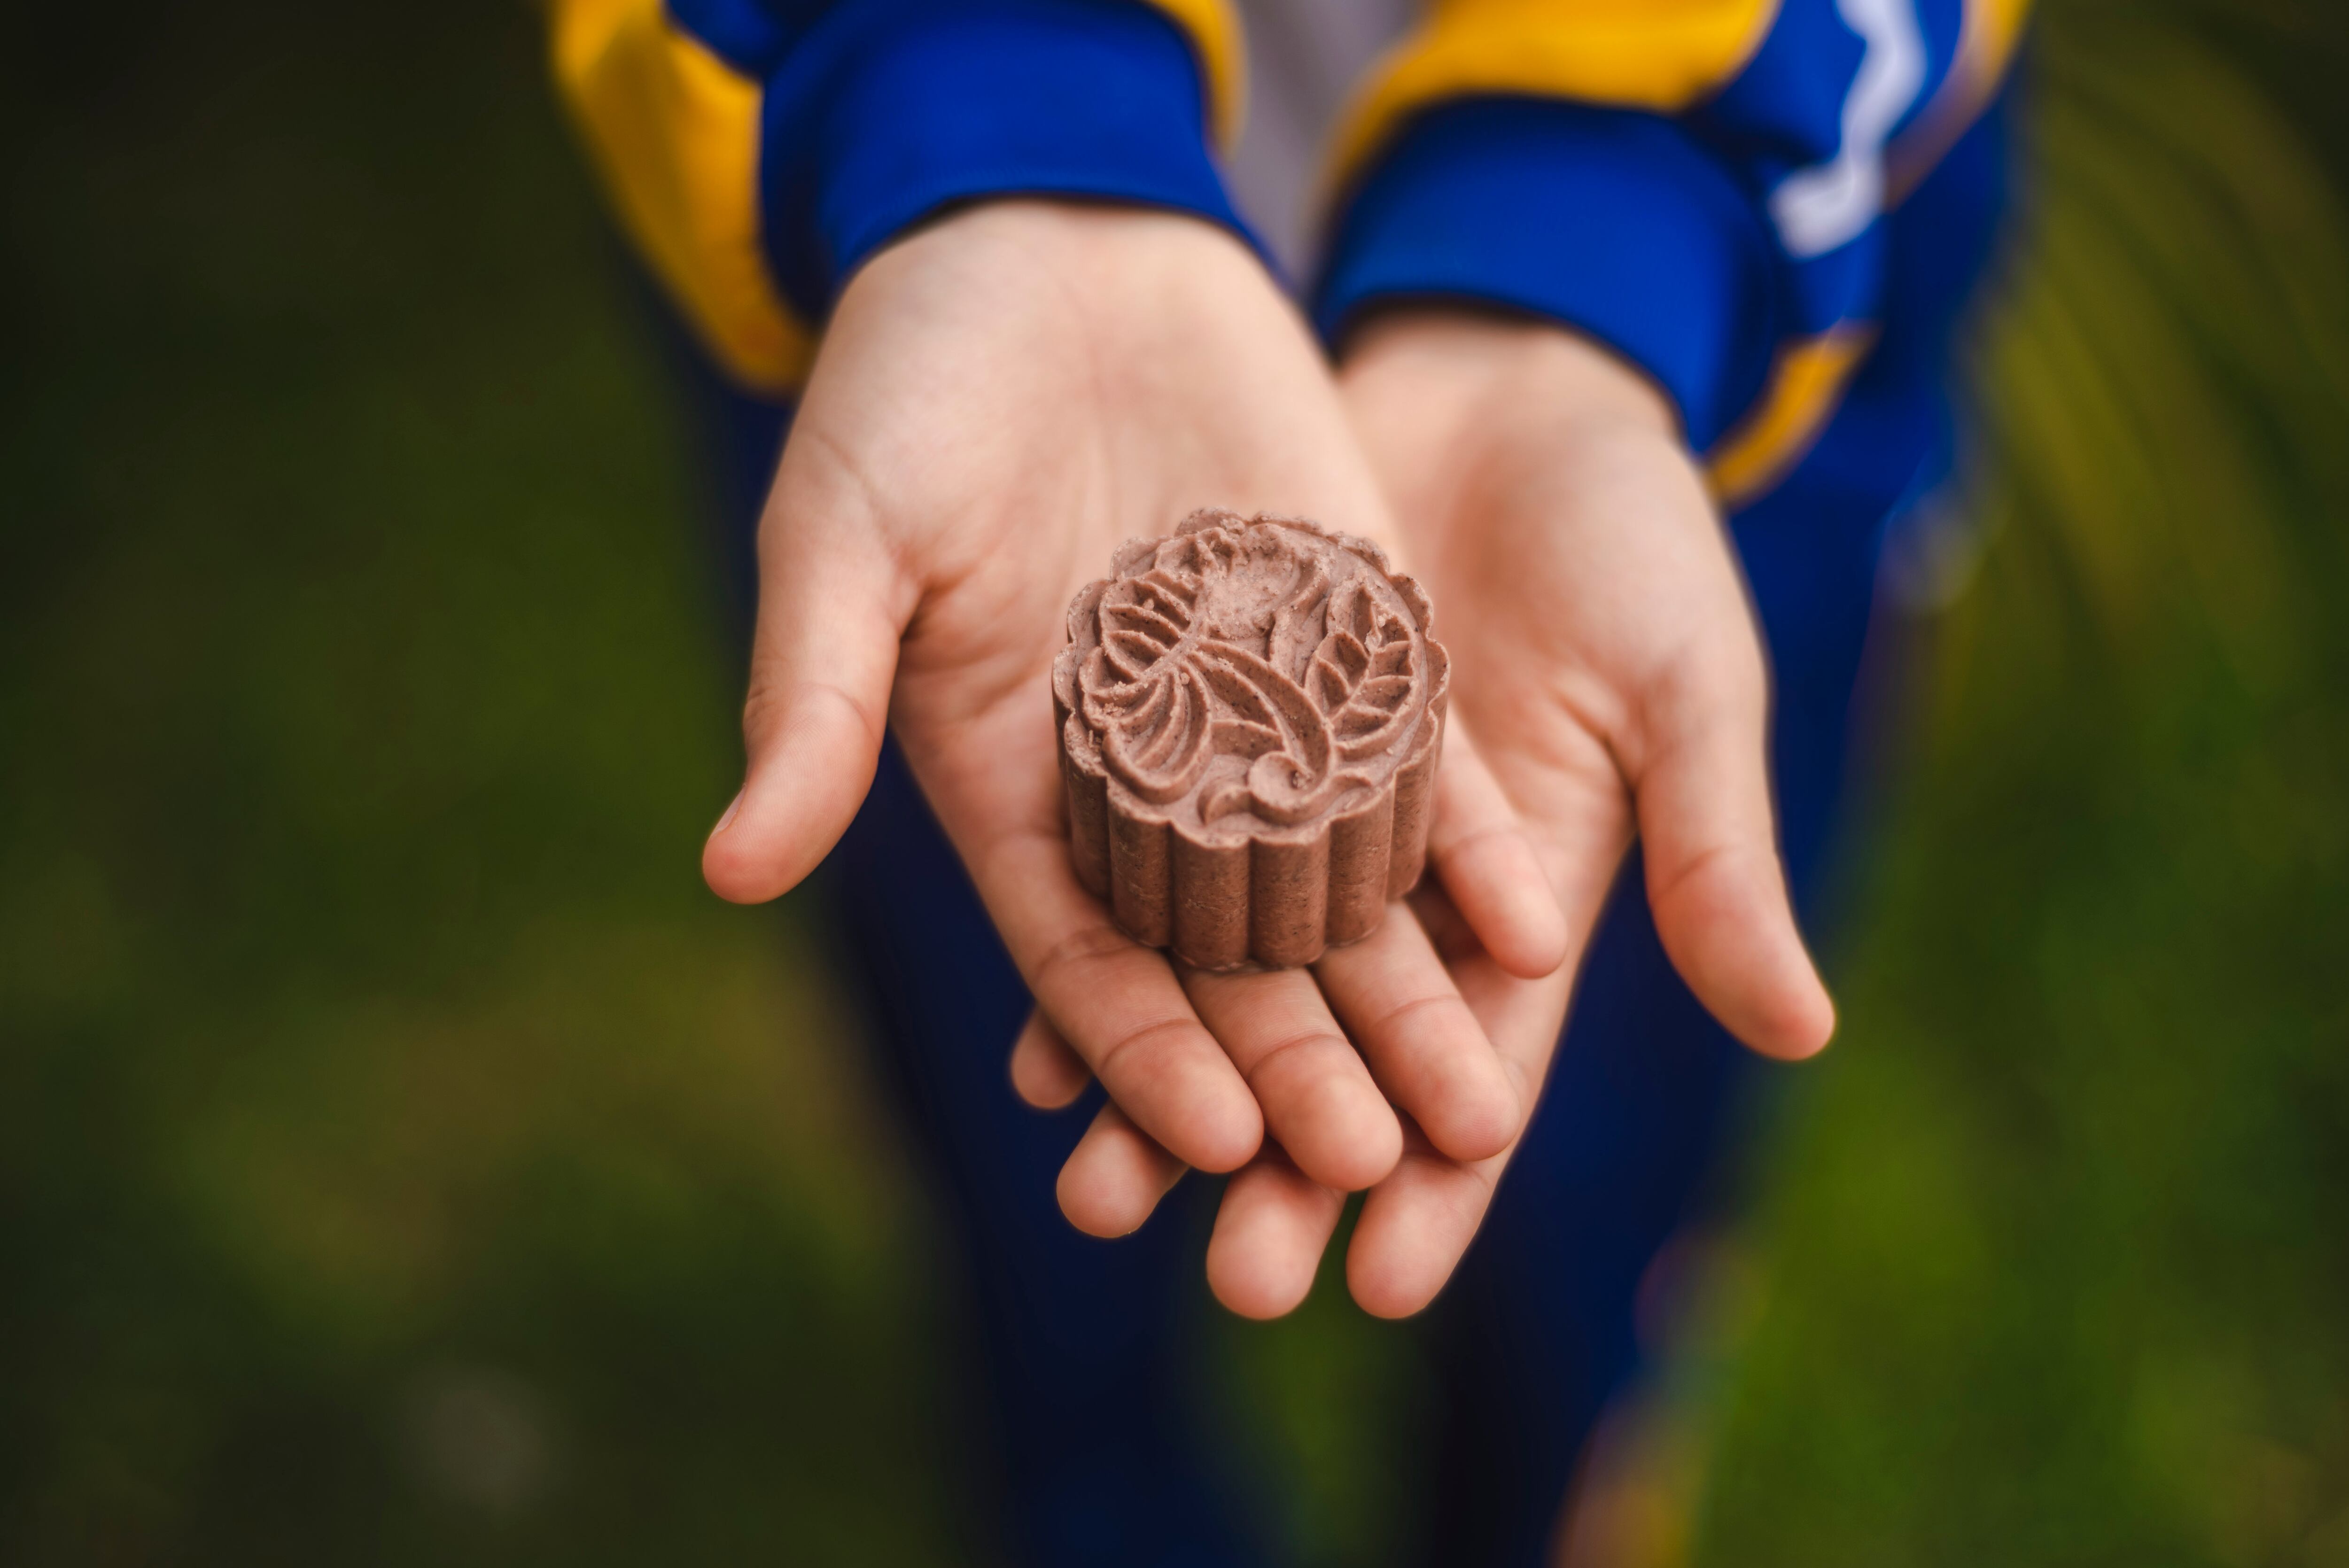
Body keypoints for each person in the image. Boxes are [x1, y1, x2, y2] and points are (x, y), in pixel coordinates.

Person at [550, 1, 2025, 1561]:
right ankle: (1097, 1497)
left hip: (1703, 290)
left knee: (1585, 1140)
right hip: (920, 234)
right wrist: (964, 89)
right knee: (1023, 1135)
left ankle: (1559, 1467)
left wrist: (1607, 207)